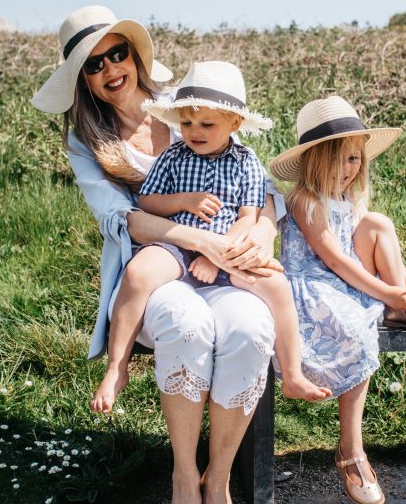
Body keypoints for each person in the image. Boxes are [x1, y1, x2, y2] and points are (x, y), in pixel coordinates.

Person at [31, 5, 283, 504]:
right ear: (83, 81)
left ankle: (217, 483)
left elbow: (258, 185)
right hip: (159, 261)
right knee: (186, 325)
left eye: (117, 52)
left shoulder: (190, 100)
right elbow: (123, 219)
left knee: (248, 329)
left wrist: (260, 228)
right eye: (93, 65)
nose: (110, 69)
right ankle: (183, 484)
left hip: (229, 258)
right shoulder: (88, 142)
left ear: (135, 54)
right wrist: (199, 238)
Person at [90, 59, 329, 411]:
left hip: (228, 247)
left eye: (206, 124)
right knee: (139, 273)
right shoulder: (173, 156)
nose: (193, 131)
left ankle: (293, 374)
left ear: (234, 123)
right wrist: (184, 201)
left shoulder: (246, 161)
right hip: (175, 244)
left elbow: (249, 215)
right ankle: (116, 367)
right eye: (186, 122)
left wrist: (214, 255)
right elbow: (148, 202)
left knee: (277, 286)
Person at [269, 95, 406, 504]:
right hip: (314, 288)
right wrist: (385, 290)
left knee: (378, 223)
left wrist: (405, 287)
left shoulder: (348, 201)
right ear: (314, 161)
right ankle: (352, 450)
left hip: (348, 283)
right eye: (340, 160)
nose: (349, 170)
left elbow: (355, 253)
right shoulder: (304, 200)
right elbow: (332, 258)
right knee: (354, 330)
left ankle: (404, 306)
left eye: (355, 160)